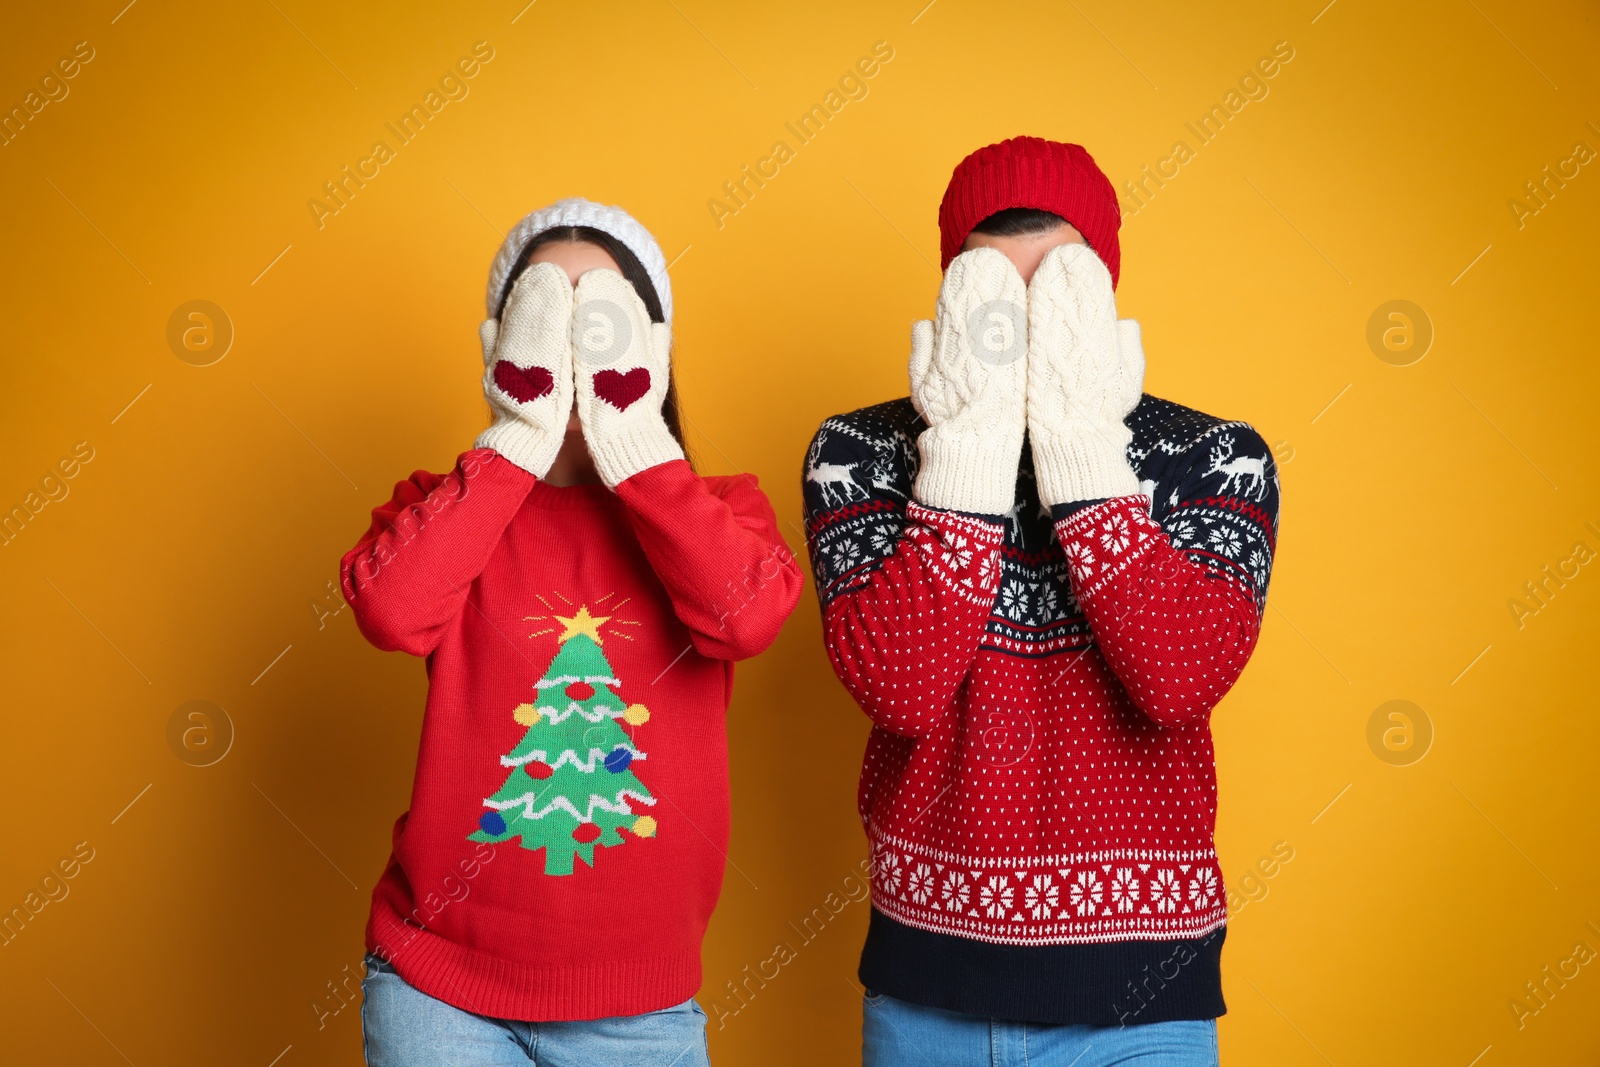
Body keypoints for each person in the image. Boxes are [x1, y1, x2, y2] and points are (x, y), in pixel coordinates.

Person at [801, 137, 1281, 1066]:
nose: (1021, 325)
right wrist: (971, 447)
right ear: (952, 294)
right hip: (925, 995)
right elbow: (901, 687)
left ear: (1102, 297)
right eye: (994, 296)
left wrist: (1079, 443)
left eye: (1054, 292)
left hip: (1145, 1002)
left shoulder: (1217, 455)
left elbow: (1178, 677)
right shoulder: (857, 453)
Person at [343, 197, 802, 1066]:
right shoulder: (447, 504)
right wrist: (522, 436)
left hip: (639, 1006)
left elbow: (744, 618)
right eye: (548, 305)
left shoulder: (722, 510)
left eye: (602, 309)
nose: (574, 331)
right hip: (436, 984)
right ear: (506, 340)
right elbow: (391, 612)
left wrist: (630, 438)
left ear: (648, 341)